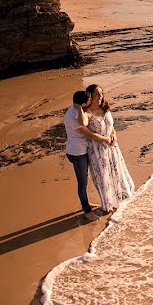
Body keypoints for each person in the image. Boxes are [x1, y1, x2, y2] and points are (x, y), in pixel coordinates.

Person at [85, 84, 135, 213]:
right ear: (90, 96)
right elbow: (87, 133)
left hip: (112, 147)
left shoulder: (106, 109)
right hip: (98, 150)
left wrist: (114, 136)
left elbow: (111, 126)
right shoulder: (87, 114)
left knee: (116, 172)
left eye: (101, 93)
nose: (100, 96)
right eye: (97, 94)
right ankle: (107, 204)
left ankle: (120, 199)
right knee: (104, 177)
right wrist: (105, 139)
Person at [63, 91, 112, 221]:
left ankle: (87, 203)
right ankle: (87, 210)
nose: (92, 101)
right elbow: (90, 134)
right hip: (77, 153)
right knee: (82, 182)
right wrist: (106, 139)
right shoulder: (73, 117)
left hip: (80, 150)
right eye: (89, 100)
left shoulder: (75, 110)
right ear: (83, 103)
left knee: (84, 180)